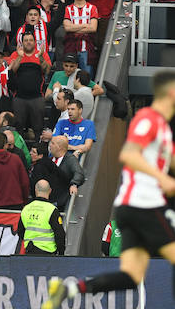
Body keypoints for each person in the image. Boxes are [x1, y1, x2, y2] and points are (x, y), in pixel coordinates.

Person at [43, 72, 175, 308]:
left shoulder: (163, 128)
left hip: (137, 209)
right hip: (142, 204)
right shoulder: (149, 119)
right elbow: (129, 154)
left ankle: (70, 289)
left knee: (131, 277)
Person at [18, 179, 66, 255]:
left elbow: (20, 231)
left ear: (35, 190)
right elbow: (59, 234)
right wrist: (61, 253)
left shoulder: (26, 208)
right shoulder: (52, 210)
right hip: (47, 253)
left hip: (29, 251)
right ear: (50, 191)